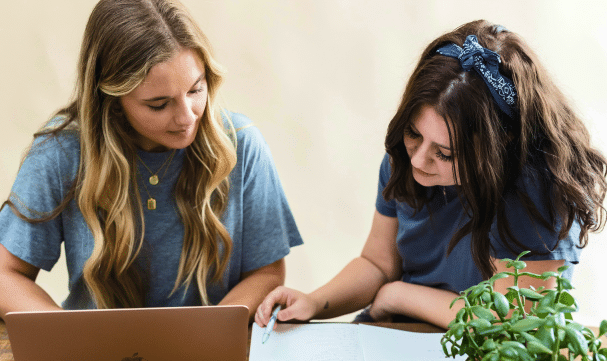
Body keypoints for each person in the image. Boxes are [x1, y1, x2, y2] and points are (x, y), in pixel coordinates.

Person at [255, 20, 607, 329]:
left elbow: (511, 323)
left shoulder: (538, 189)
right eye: (413, 134)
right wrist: (315, 301)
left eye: (445, 153)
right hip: (400, 333)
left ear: (499, 146)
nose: (419, 160)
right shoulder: (403, 161)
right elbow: (377, 263)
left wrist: (398, 295)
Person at [0, 0, 303, 322]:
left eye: (195, 90)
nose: (187, 118)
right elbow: (6, 276)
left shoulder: (241, 144)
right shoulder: (60, 152)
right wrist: (67, 334)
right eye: (159, 104)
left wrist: (208, 334)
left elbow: (267, 272)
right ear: (113, 102)